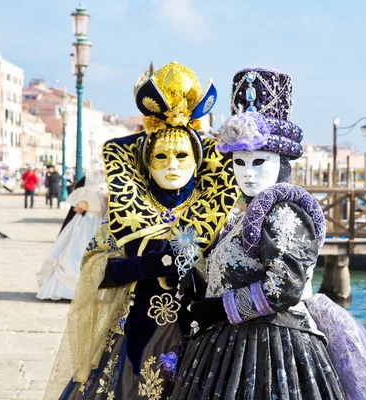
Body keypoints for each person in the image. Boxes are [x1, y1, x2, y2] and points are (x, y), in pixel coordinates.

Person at [172, 68, 366, 400]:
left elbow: (284, 288)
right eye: (239, 162)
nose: (247, 174)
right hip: (227, 348)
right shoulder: (246, 214)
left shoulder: (284, 210)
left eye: (258, 161)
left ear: (281, 159)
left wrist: (217, 310)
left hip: (273, 349)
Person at [45, 61, 239, 400]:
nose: (173, 165)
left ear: (197, 161)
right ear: (146, 163)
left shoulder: (218, 215)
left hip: (197, 341)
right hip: (132, 341)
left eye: (182, 155)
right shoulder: (126, 213)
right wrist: (147, 265)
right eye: (161, 156)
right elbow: (94, 271)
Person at [36, 158, 108, 301]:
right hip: (91, 223)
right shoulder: (104, 191)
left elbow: (77, 209)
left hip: (84, 223)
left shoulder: (93, 191)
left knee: (74, 251)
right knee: (79, 251)